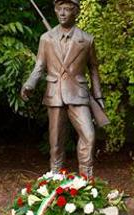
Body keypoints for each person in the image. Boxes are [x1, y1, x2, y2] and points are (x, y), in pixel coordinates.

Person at [21, 0, 103, 177]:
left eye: (67, 9)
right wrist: (29, 84)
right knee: (56, 142)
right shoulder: (46, 38)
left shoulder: (87, 40)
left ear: (76, 13)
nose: (63, 13)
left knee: (89, 136)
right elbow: (40, 66)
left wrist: (99, 97)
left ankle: (86, 180)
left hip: (78, 94)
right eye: (60, 10)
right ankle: (56, 178)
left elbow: (94, 69)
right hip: (55, 94)